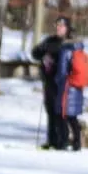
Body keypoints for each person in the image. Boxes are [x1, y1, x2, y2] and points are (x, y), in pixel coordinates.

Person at [32, 16, 80, 150]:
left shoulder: (70, 42)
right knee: (50, 110)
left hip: (64, 82)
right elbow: (35, 52)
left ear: (67, 28)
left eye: (62, 26)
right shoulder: (50, 40)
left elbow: (69, 59)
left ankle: (63, 140)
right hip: (49, 80)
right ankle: (52, 140)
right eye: (57, 26)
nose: (59, 28)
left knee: (62, 112)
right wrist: (44, 54)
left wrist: (51, 54)